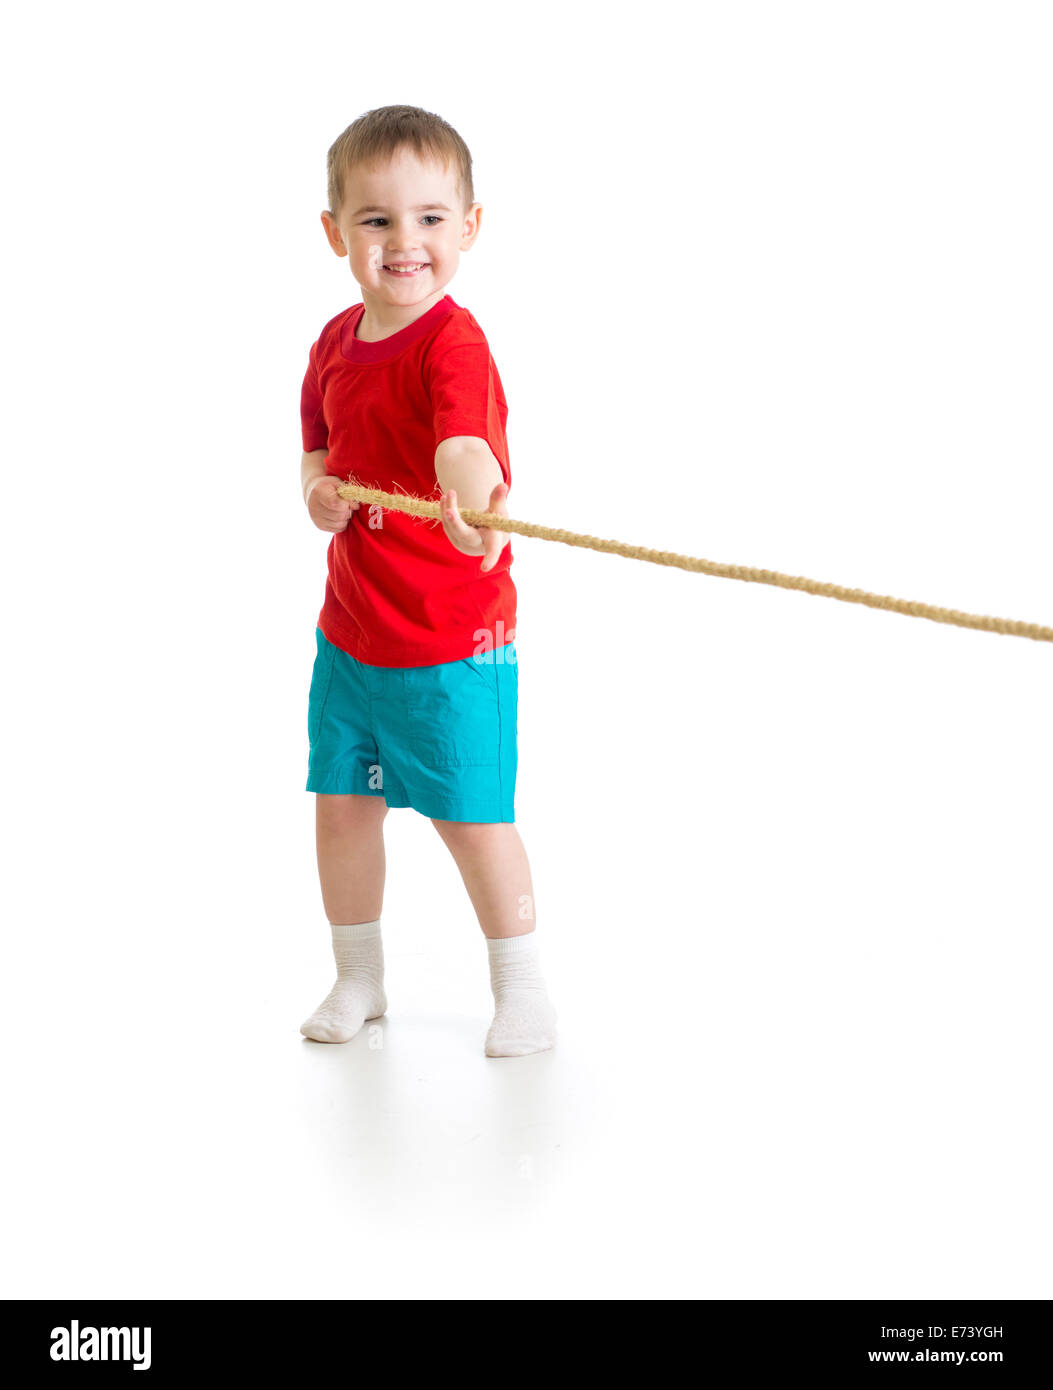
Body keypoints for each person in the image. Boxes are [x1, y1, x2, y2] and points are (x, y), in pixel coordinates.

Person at [297, 105, 557, 1058]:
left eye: (430, 219)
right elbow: (317, 454)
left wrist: (467, 494)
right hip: (353, 637)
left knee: (472, 821)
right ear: (336, 234)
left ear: (469, 226)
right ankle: (358, 976)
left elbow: (462, 443)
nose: (404, 242)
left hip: (450, 644)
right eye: (376, 220)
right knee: (341, 811)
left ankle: (521, 988)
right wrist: (318, 497)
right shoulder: (331, 343)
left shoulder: (454, 343)